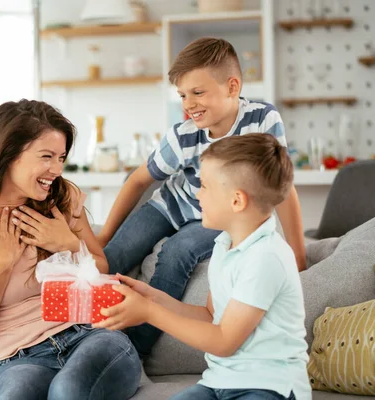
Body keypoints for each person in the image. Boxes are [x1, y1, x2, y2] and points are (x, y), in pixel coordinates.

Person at [96, 37, 306, 357]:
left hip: (218, 215)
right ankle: (82, 334)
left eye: (197, 92)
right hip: (170, 205)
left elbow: (283, 188)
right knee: (115, 256)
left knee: (178, 250)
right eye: (182, 95)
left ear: (232, 86)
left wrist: (298, 256)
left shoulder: (262, 121)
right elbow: (137, 181)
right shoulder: (183, 135)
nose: (188, 104)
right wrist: (105, 237)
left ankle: (133, 350)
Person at [0, 99, 141, 400]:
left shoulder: (62, 198)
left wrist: (67, 244)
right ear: (8, 154)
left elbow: (101, 267)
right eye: (47, 157)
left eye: (61, 158)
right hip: (20, 358)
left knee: (68, 391)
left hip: (90, 337)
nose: (57, 170)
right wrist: (1, 266)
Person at [96, 133, 310, 400]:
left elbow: (223, 341)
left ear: (237, 201)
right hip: (219, 383)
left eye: (205, 186)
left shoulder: (266, 256)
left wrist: (150, 313)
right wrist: (152, 297)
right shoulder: (224, 244)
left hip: (269, 387)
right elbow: (210, 315)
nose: (197, 193)